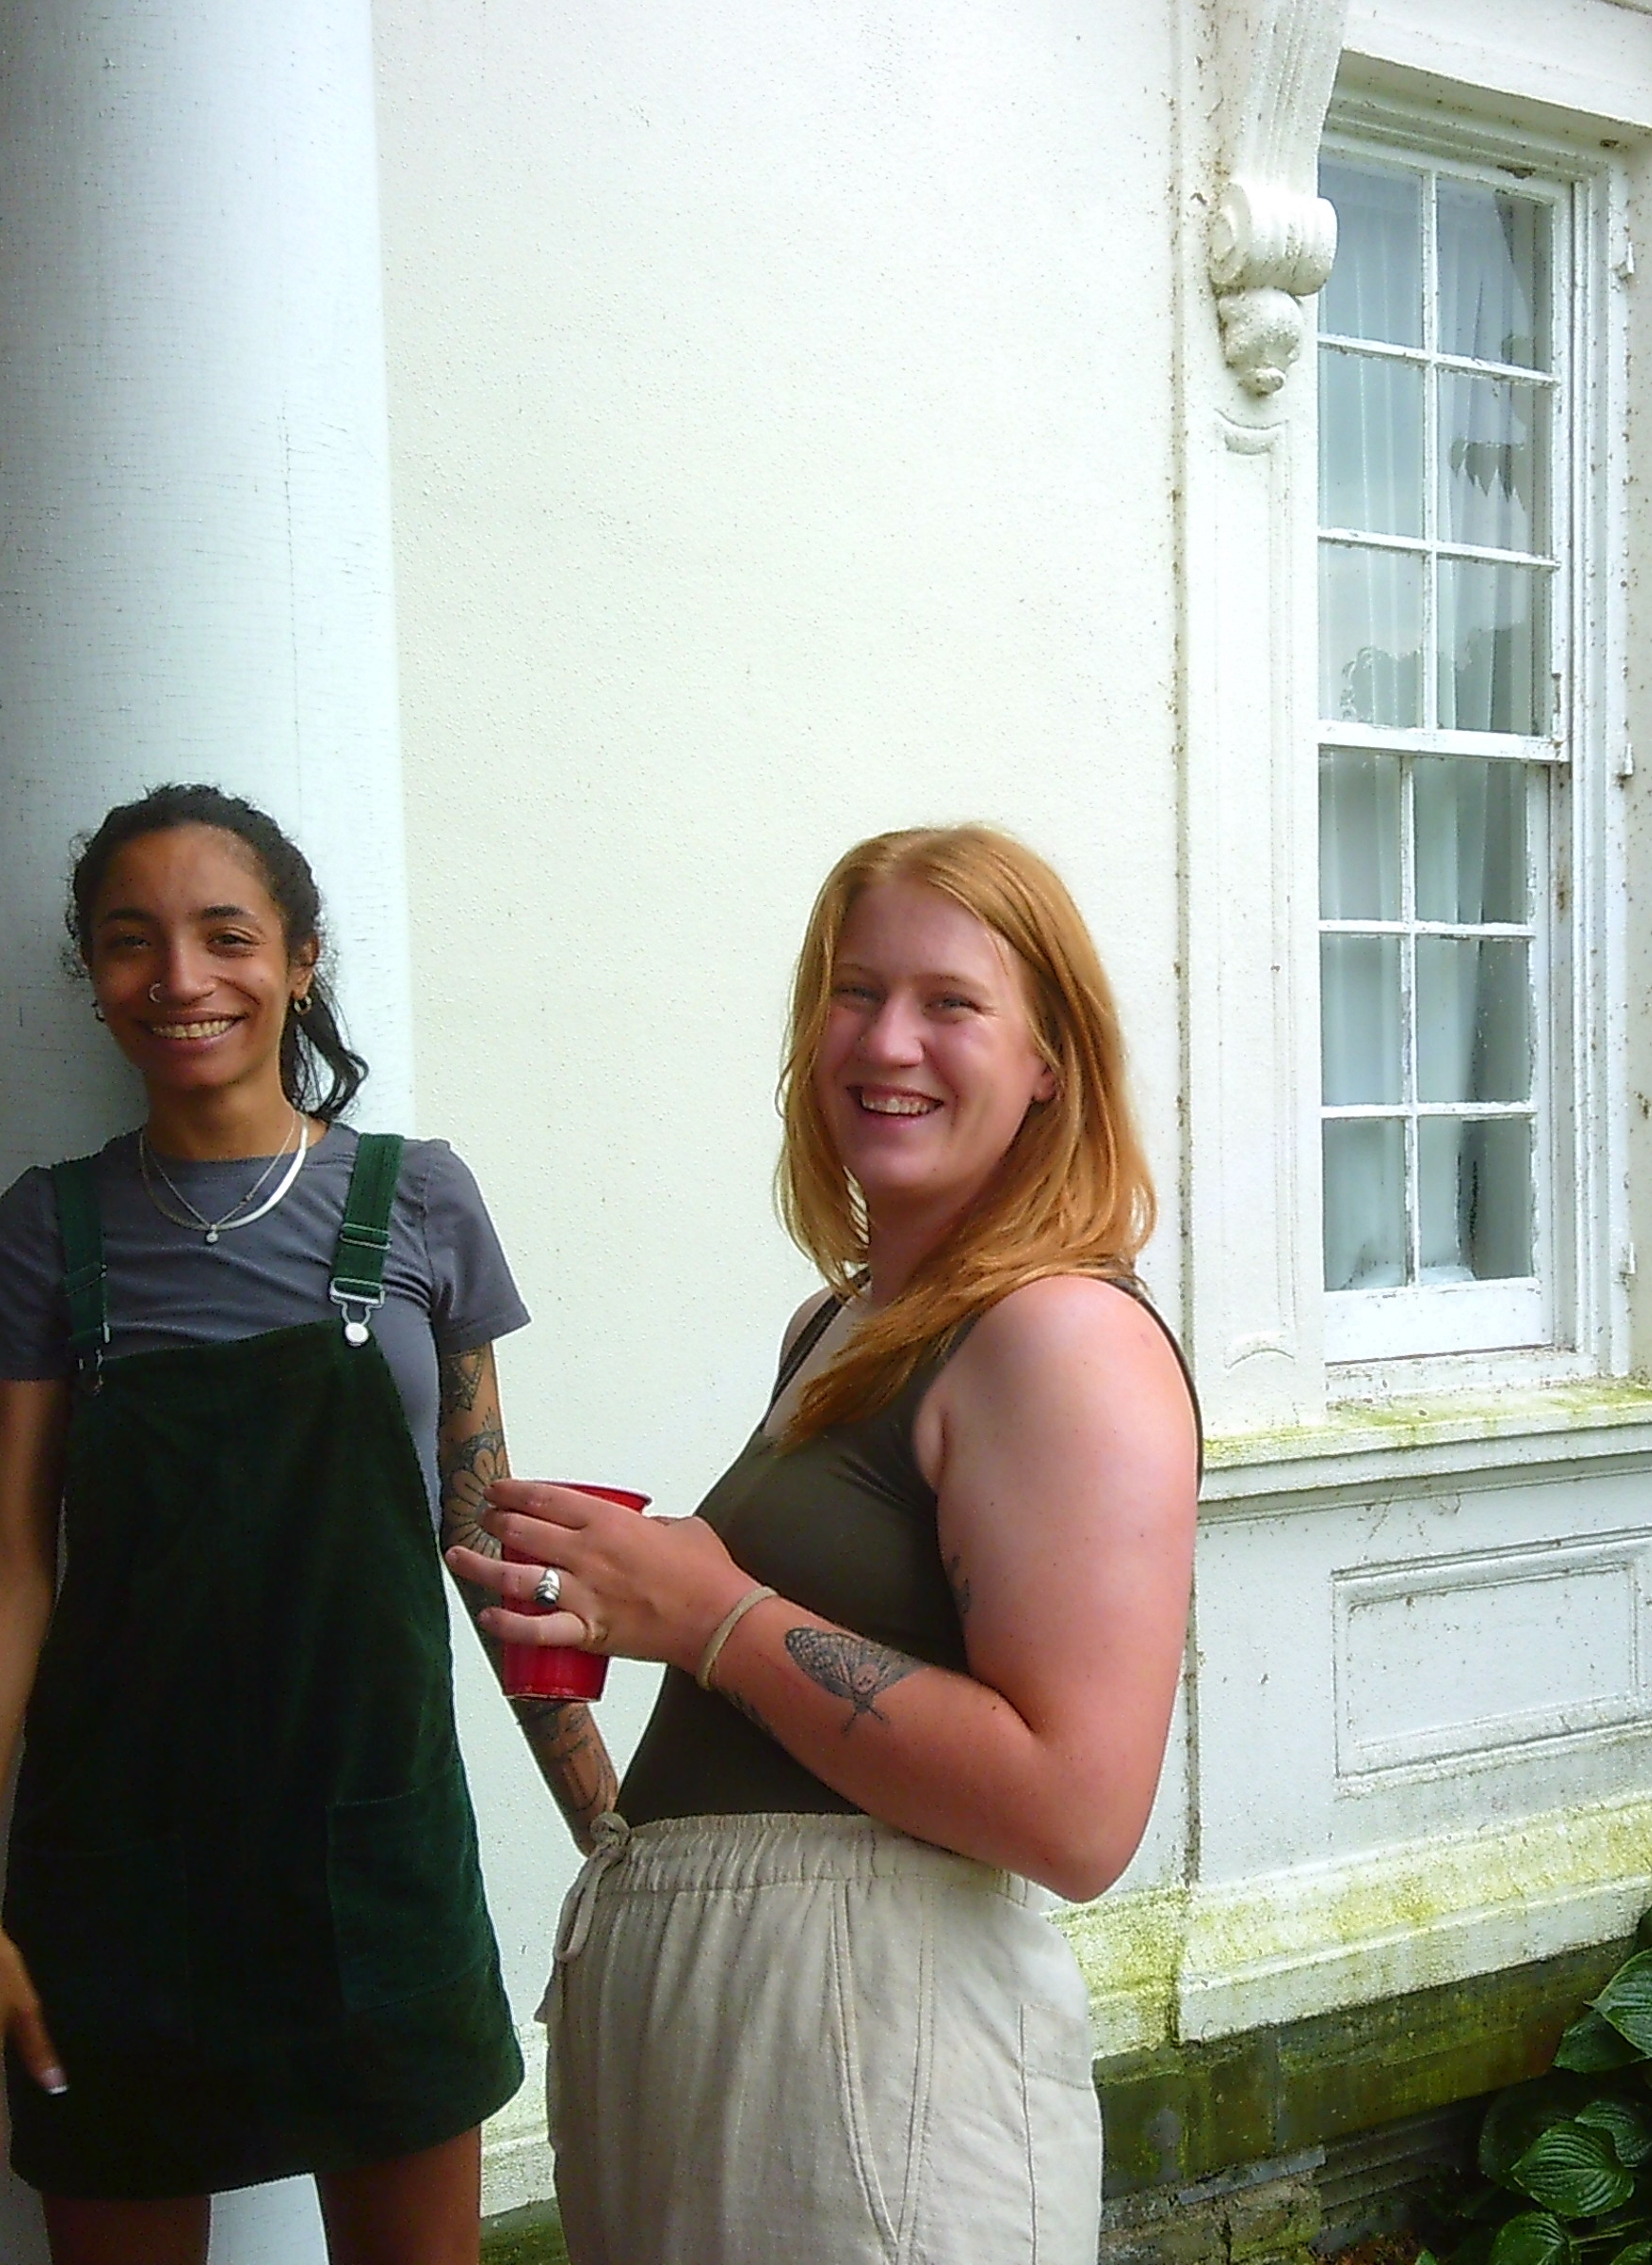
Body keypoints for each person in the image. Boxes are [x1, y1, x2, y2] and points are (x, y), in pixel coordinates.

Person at [449, 824, 1202, 2265]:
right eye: (855, 994)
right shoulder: (840, 1325)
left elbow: (1077, 1813)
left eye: (950, 1003)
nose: (887, 1040)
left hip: (874, 2068)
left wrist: (714, 1618)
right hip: (741, 2056)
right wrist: (619, 1602)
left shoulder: (1061, 1338)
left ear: (1051, 1059)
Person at [0, 785, 616, 2265]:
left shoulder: (418, 1202)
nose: (179, 980)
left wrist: (608, 1833)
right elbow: (5, 1568)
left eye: (225, 936)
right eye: (131, 943)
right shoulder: (53, 1233)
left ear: (299, 959)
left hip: (379, 1867)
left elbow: (482, 1530)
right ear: (94, 976)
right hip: (115, 1884)